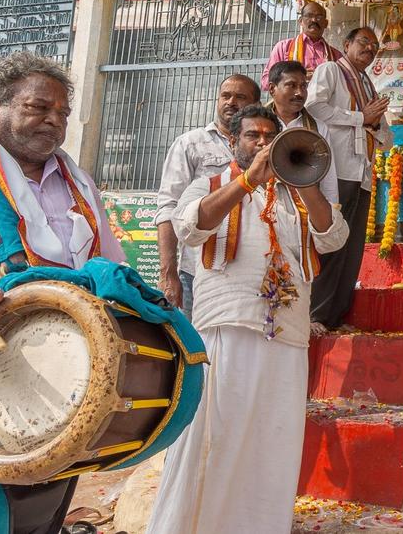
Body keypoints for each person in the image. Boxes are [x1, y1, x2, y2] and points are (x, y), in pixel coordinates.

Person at [0, 52, 126, 534]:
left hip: (55, 399)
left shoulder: (81, 187)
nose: (53, 121)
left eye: (62, 113)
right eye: (38, 107)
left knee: (30, 517)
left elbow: (111, 271)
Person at [148, 104, 348, 534]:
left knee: (272, 441)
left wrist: (308, 182)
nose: (261, 143)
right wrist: (247, 182)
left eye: (269, 137)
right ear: (234, 142)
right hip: (227, 324)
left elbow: (333, 238)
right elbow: (190, 227)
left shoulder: (298, 195)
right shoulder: (210, 182)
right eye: (252, 136)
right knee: (213, 436)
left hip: (287, 332)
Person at [305, 28, 394, 332]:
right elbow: (314, 106)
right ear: (346, 45)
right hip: (336, 171)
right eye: (363, 43)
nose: (369, 49)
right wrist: (360, 118)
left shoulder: (368, 84)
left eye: (374, 47)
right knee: (331, 245)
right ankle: (316, 317)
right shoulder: (331, 70)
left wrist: (377, 127)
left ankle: (336, 318)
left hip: (362, 174)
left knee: (352, 247)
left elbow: (386, 136)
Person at [156, 73, 259, 315]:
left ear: (255, 105)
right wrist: (168, 273)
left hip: (249, 273)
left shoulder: (267, 147)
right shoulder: (190, 144)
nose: (231, 102)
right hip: (197, 271)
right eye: (225, 95)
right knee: (196, 350)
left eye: (240, 97)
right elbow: (168, 208)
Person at [262, 1, 342, 86]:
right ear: (300, 21)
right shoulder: (283, 48)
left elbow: (344, 86)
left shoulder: (336, 55)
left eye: (319, 17)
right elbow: (266, 81)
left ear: (326, 23)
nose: (314, 20)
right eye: (309, 16)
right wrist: (298, 77)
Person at [264, 59, 323, 131]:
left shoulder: (320, 128)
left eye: (303, 86)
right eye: (292, 85)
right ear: (272, 88)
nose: (300, 93)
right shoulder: (255, 123)